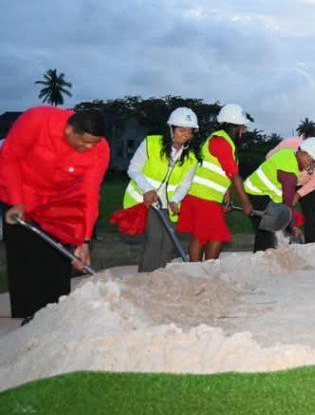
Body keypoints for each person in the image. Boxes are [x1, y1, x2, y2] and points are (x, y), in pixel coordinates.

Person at [0, 107, 110, 323]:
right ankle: (28, 318)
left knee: (58, 256)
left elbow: (89, 195)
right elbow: (9, 157)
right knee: (24, 256)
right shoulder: (36, 120)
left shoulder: (100, 149)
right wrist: (16, 201)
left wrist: (85, 240)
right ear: (69, 129)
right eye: (85, 142)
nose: (90, 148)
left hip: (60, 202)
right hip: (21, 192)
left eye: (94, 143)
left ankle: (55, 316)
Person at [123, 107, 200, 272]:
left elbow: (185, 184)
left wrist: (176, 200)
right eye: (181, 130)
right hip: (146, 201)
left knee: (169, 241)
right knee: (156, 238)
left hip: (168, 204)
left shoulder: (191, 158)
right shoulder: (151, 143)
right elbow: (133, 169)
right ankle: (146, 276)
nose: (186, 134)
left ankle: (160, 276)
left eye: (190, 131)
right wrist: (148, 189)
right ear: (171, 128)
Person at [177, 103, 253, 262]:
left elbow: (221, 173)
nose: (243, 131)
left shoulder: (221, 140)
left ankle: (195, 269)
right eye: (242, 127)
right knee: (217, 235)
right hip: (204, 198)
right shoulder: (221, 141)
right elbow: (234, 176)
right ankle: (207, 269)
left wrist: (226, 198)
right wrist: (246, 203)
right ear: (235, 127)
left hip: (199, 196)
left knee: (200, 235)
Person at [244, 137, 315, 251]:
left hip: (263, 193)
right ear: (304, 154)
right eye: (313, 161)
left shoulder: (288, 153)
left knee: (267, 230)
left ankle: (260, 259)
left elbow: (283, 201)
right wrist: (293, 227)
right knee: (268, 234)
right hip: (256, 193)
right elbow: (288, 203)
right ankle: (263, 262)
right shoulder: (290, 174)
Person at [266, 126, 315, 243]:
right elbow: (269, 157)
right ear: (303, 138)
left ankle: (313, 245)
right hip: (284, 180)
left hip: (304, 184)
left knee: (310, 209)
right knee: (279, 209)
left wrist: (298, 194)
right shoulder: (290, 143)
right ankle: (276, 241)